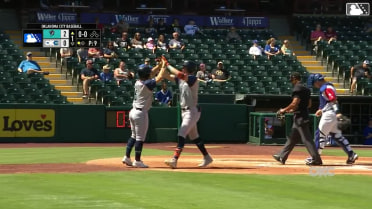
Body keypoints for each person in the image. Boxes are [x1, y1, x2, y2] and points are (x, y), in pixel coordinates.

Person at [161, 57, 213, 168]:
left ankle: (174, 160)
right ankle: (207, 157)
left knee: (181, 134)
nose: (182, 68)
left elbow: (179, 74)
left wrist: (168, 64)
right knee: (195, 136)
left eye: (184, 67)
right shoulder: (181, 78)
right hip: (185, 111)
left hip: (192, 111)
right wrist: (162, 66)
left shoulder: (193, 79)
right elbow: (165, 76)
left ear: (188, 69)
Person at [122, 61, 167, 168]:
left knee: (133, 136)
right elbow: (159, 77)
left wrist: (159, 66)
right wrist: (164, 67)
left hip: (133, 111)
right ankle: (137, 160)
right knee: (140, 138)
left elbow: (150, 73)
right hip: (140, 113)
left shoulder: (139, 81)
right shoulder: (147, 84)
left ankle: (127, 157)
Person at [307, 73, 358, 164]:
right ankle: (351, 154)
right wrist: (321, 110)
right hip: (331, 114)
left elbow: (333, 99)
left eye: (314, 83)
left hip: (329, 115)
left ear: (318, 81)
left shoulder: (325, 87)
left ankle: (315, 157)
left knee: (319, 135)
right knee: (337, 136)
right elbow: (328, 101)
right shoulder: (329, 86)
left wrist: (337, 112)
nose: (314, 85)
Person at [273, 72, 322, 165]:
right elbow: (309, 104)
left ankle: (316, 159)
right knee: (292, 138)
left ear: (295, 78)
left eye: (292, 79)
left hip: (300, 118)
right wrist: (292, 110)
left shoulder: (297, 88)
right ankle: (282, 156)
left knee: (307, 139)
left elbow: (294, 103)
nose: (291, 81)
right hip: (301, 115)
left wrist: (283, 110)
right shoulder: (306, 89)